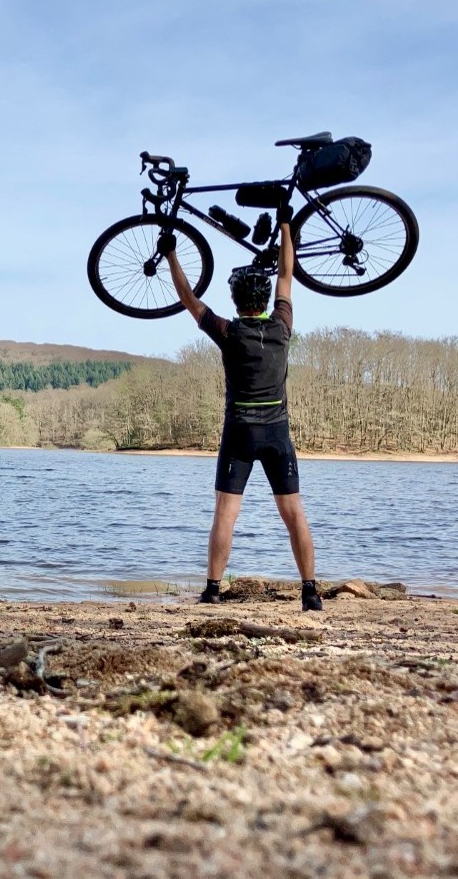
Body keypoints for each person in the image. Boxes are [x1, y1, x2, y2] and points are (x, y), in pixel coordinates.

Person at [158, 206, 322, 611]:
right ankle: (310, 592)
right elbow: (286, 274)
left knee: (225, 514)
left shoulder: (228, 332)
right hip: (277, 435)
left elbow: (187, 298)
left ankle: (213, 590)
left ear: (235, 300)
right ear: (264, 300)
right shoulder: (282, 326)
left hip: (240, 435)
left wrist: (172, 255)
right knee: (294, 513)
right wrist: (285, 225)